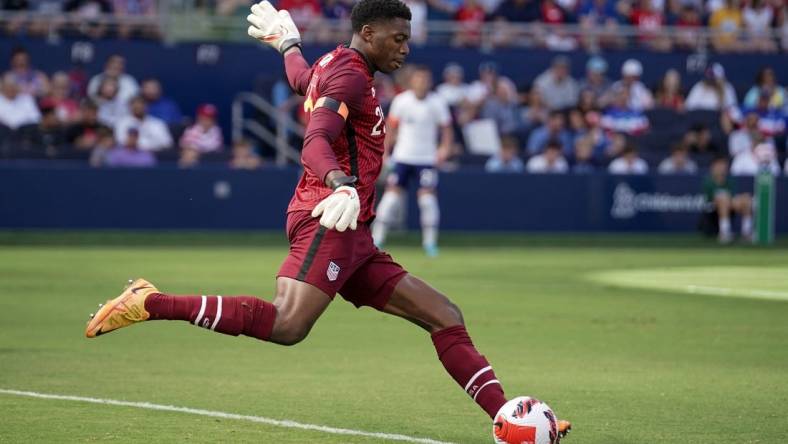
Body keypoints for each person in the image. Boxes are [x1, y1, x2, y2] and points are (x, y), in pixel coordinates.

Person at [84, 1, 571, 441]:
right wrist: (340, 183)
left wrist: (288, 45)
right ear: (367, 32)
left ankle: (508, 419)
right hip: (328, 216)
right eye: (397, 38)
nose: (406, 48)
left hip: (353, 229)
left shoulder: (336, 64)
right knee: (288, 324)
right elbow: (315, 141)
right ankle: (152, 303)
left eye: (408, 38)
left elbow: (301, 78)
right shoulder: (351, 76)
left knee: (444, 315)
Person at [372, 65, 452, 257]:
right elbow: (390, 129)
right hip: (402, 157)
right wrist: (385, 153)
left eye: (425, 79)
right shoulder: (401, 101)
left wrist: (444, 149)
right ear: (412, 81)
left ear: (430, 82)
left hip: (426, 159)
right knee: (390, 200)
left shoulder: (437, 103)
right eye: (418, 79)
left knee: (427, 201)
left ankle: (430, 244)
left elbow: (446, 129)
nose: (422, 82)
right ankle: (376, 241)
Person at [703, 156, 752, 243]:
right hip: (712, 209)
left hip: (729, 205)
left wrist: (734, 202)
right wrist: (725, 199)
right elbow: (711, 198)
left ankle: (746, 232)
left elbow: (733, 196)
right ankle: (724, 233)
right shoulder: (708, 181)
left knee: (746, 198)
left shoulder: (730, 181)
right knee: (722, 199)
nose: (721, 169)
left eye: (723, 166)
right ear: (713, 167)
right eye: (719, 166)